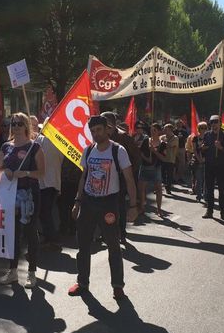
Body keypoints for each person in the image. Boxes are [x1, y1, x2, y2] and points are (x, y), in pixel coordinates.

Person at [68, 115, 138, 300]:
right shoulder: (88, 150)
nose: (96, 134)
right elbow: (84, 177)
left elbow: (129, 178)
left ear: (107, 129)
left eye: (99, 130)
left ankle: (117, 286)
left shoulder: (118, 150)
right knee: (83, 245)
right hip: (89, 203)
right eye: (92, 131)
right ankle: (82, 282)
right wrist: (77, 201)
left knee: (113, 246)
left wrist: (133, 206)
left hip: (109, 203)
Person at [0, 113, 45, 289]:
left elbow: (41, 172)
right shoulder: (5, 146)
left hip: (30, 194)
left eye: (19, 123)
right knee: (12, 233)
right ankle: (12, 270)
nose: (15, 126)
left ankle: (32, 272)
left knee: (30, 232)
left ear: (26, 126)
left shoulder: (35, 147)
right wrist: (6, 172)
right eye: (13, 123)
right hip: (10, 195)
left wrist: (24, 173)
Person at [100, 111, 141, 243]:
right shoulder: (99, 136)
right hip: (103, 178)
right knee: (104, 206)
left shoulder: (124, 138)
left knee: (119, 206)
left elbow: (136, 158)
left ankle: (121, 233)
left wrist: (127, 173)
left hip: (120, 178)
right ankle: (105, 232)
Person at [36, 125, 64, 247]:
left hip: (43, 182)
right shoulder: (60, 143)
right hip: (54, 181)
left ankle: (52, 238)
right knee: (47, 211)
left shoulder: (41, 141)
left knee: (44, 212)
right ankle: (50, 237)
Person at [201, 115, 224, 221]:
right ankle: (209, 211)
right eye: (212, 122)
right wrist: (203, 148)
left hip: (221, 166)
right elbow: (203, 148)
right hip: (209, 165)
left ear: (220, 123)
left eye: (216, 122)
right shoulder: (207, 135)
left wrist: (220, 147)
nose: (214, 124)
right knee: (209, 190)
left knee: (222, 190)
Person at [137, 123, 166, 216]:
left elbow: (164, 158)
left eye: (155, 130)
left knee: (158, 189)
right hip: (145, 167)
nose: (152, 132)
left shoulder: (162, 144)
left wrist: (154, 151)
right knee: (141, 188)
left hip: (156, 168)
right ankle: (142, 207)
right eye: (151, 130)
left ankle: (159, 209)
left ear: (159, 131)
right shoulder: (146, 141)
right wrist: (146, 159)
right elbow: (140, 152)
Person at [186, 122, 208, 202]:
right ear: (198, 129)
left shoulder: (208, 137)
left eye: (205, 128)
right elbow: (194, 150)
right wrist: (199, 159)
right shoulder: (195, 138)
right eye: (202, 128)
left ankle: (206, 196)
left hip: (207, 160)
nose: (203, 130)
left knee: (206, 180)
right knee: (199, 179)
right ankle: (199, 196)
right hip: (198, 160)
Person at [160, 123, 178, 195]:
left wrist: (163, 143)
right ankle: (160, 187)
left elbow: (170, 145)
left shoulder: (175, 138)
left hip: (170, 159)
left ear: (170, 130)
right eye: (164, 129)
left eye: (166, 129)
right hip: (162, 158)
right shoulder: (162, 137)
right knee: (161, 173)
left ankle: (168, 188)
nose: (164, 130)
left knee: (169, 175)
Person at [174, 120, 189, 185]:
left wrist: (186, 148)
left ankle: (180, 177)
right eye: (178, 123)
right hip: (175, 148)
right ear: (176, 124)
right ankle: (174, 178)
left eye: (180, 123)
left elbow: (186, 140)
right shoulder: (174, 131)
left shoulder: (184, 132)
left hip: (182, 148)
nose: (179, 124)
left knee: (182, 164)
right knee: (174, 164)